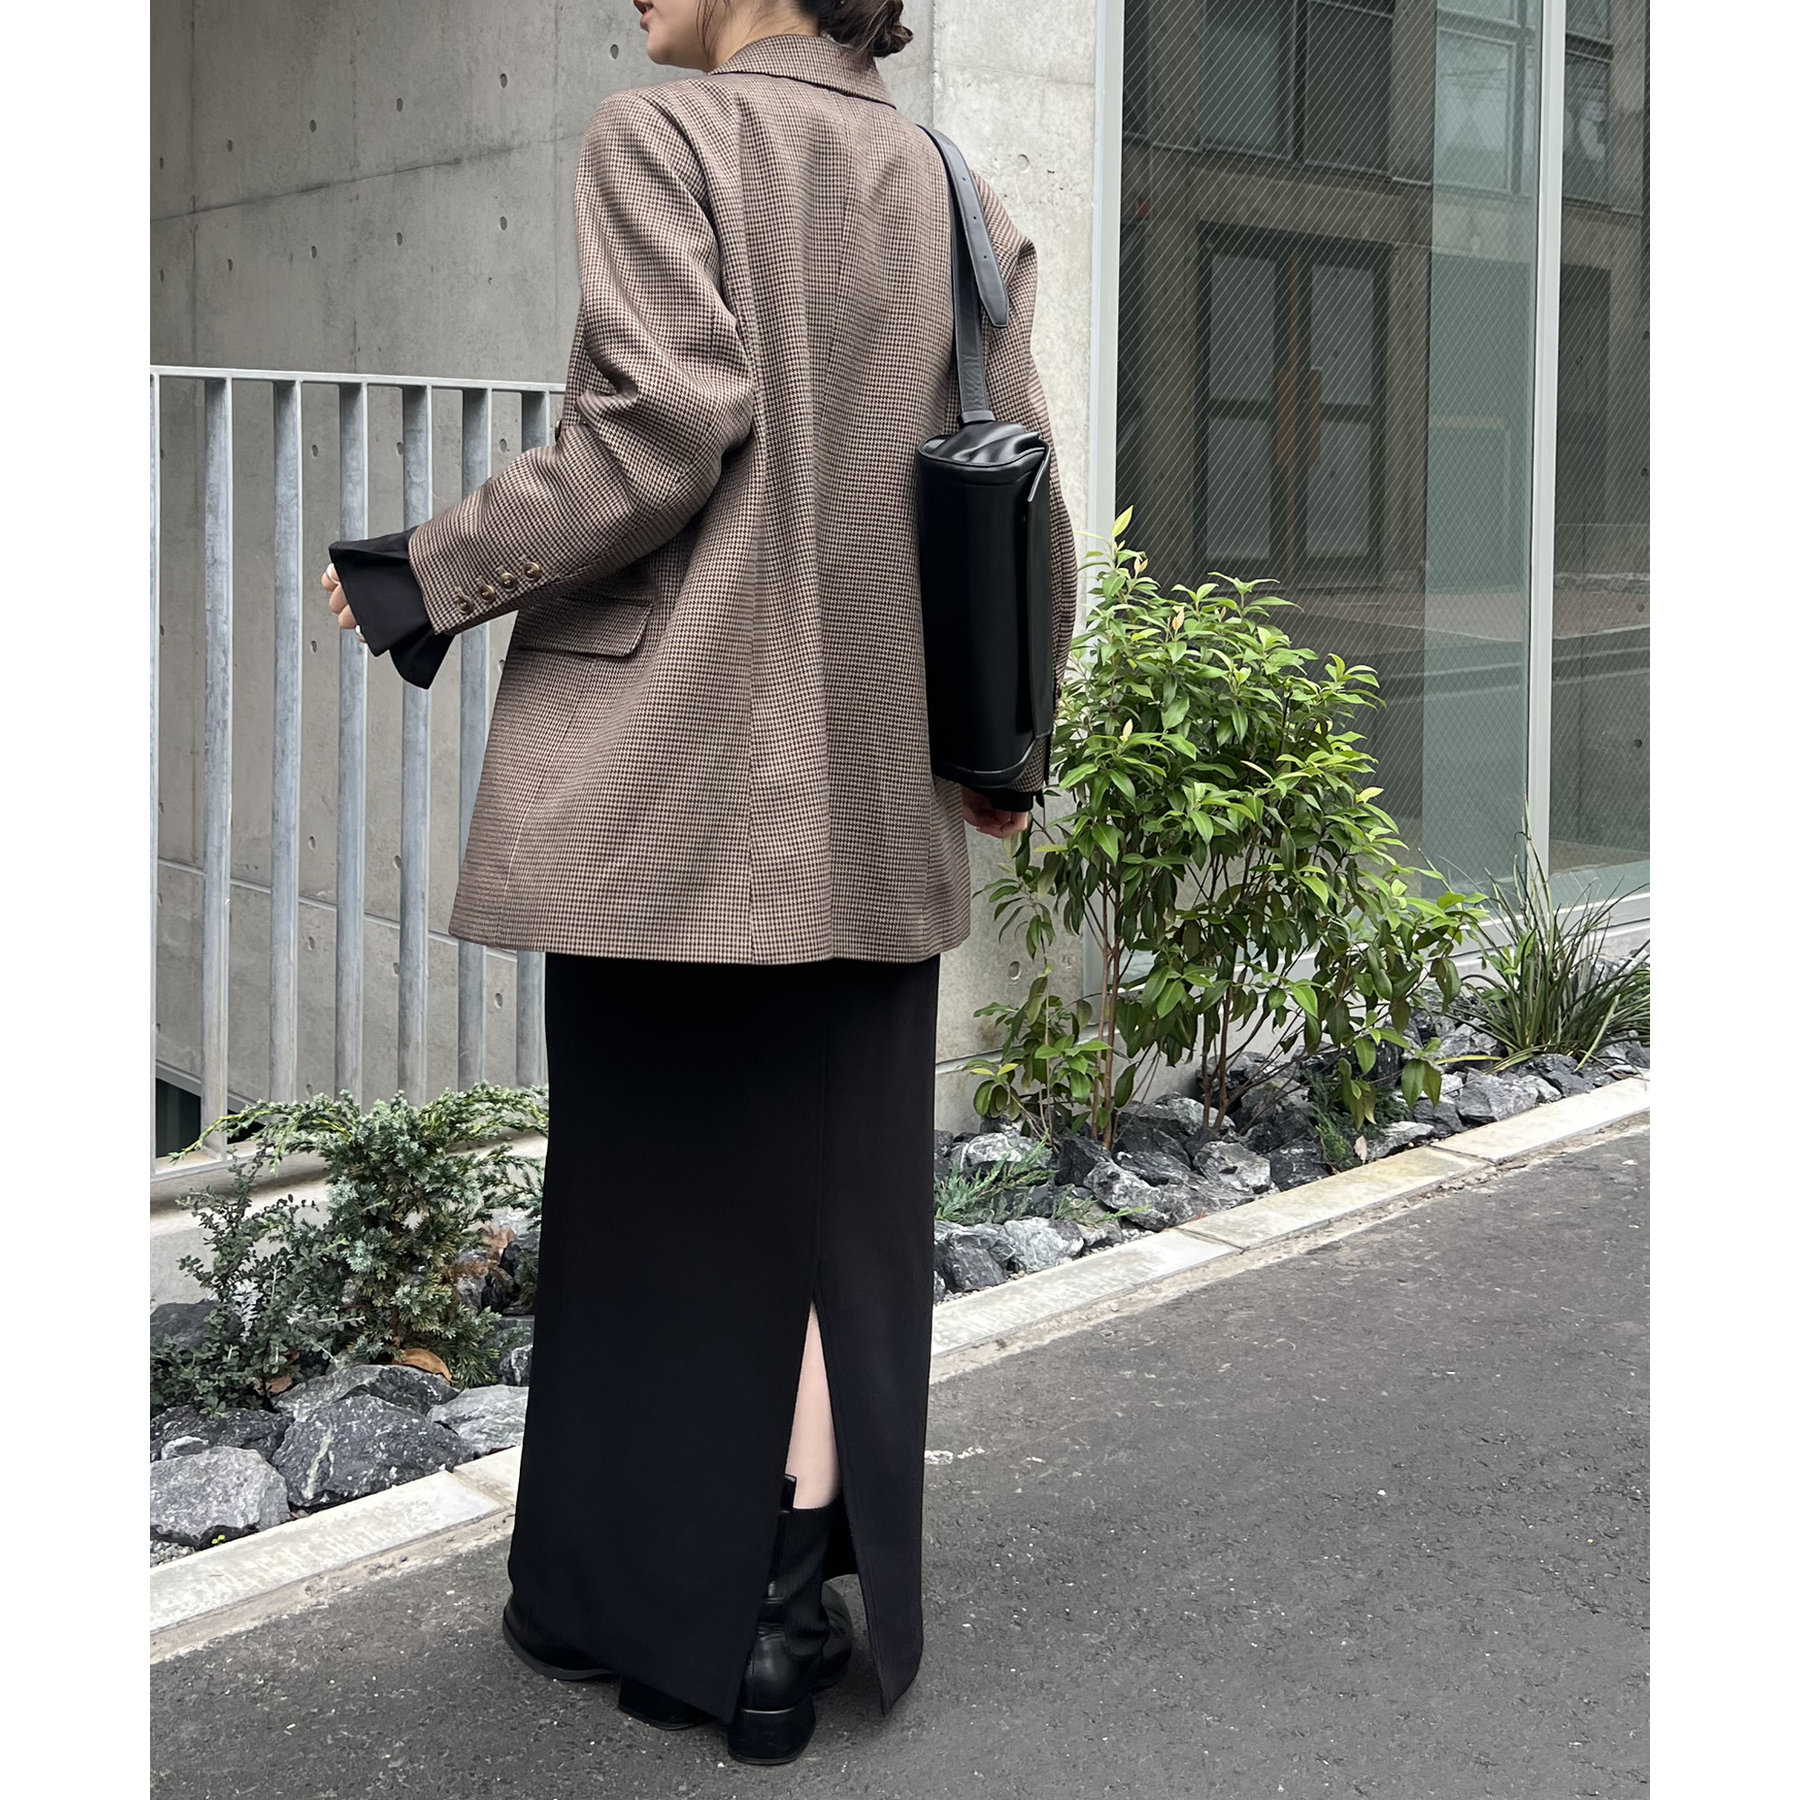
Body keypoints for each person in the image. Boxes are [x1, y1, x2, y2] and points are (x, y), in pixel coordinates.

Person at [320, 0, 1077, 1768]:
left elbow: (662, 427)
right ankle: (775, 1612)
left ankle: (653, 1606)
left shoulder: (660, 139)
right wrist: (1005, 750)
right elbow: (1026, 497)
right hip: (879, 787)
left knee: (659, 1213)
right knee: (829, 1222)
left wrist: (427, 572)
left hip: (675, 794)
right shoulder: (956, 187)